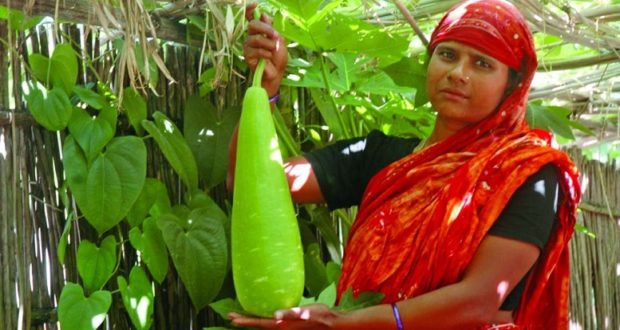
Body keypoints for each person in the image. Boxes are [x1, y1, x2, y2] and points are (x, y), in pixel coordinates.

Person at [227, 1, 581, 329]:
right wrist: (265, 91)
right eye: (447, 54)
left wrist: (342, 324)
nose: (458, 73)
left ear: (512, 86)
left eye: (482, 63)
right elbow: (250, 185)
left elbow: (479, 301)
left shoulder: (525, 173)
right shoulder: (378, 156)